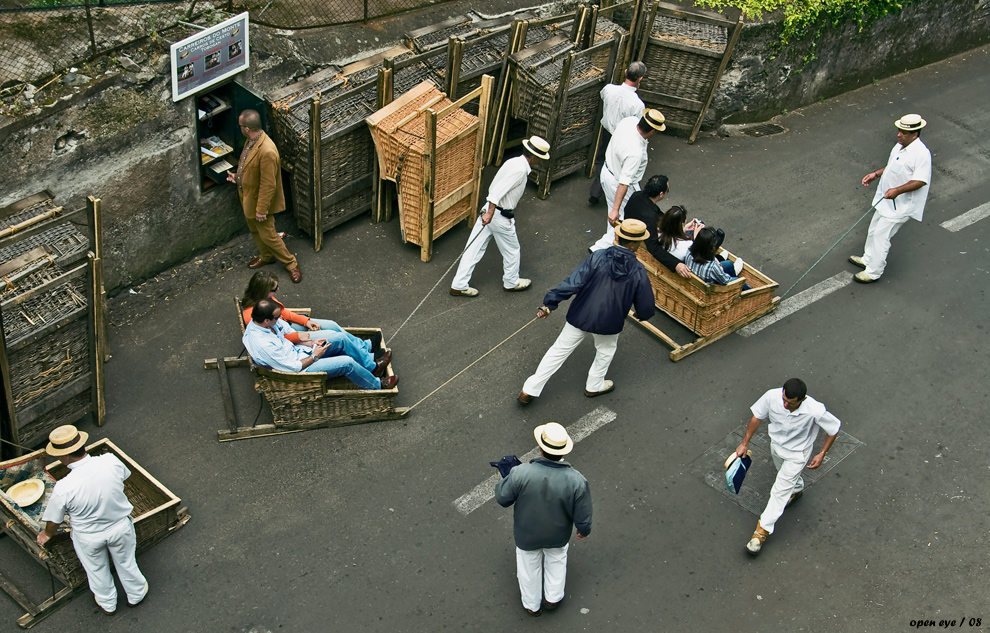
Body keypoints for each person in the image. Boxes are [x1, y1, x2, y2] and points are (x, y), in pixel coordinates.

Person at [519, 219, 655, 403]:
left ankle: (529, 390)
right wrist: (642, 314)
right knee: (605, 351)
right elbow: (646, 303)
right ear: (633, 244)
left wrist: (550, 303)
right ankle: (594, 385)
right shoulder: (638, 270)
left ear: (619, 236)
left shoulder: (598, 256)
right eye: (640, 241)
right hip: (610, 321)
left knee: (558, 350)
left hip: (581, 313)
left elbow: (573, 282)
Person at [37, 425, 148, 615]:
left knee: (96, 571)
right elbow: (124, 477)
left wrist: (47, 534)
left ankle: (108, 603)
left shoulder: (64, 487)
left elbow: (54, 520)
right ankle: (136, 594)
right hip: (120, 527)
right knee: (126, 562)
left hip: (88, 537)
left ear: (64, 456)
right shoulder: (110, 461)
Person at [494, 422, 592, 616]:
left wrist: (503, 479)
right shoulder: (577, 480)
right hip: (558, 534)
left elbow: (502, 498)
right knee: (556, 560)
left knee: (528, 566)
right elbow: (583, 512)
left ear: (540, 448)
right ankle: (552, 598)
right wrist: (583, 530)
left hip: (526, 534)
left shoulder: (521, 473)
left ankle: (532, 604)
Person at [734, 379, 841, 555]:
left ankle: (761, 532)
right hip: (776, 446)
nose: (785, 405)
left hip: (798, 455)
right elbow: (757, 417)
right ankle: (796, 490)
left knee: (779, 489)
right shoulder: (771, 396)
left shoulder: (815, 409)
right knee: (786, 480)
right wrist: (744, 443)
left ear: (802, 399)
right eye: (784, 399)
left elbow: (834, 428)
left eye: (791, 403)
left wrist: (822, 453)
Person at [450, 136, 550, 297]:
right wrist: (490, 212)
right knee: (512, 250)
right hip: (499, 215)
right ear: (535, 157)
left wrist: (488, 211)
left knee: (473, 248)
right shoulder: (520, 170)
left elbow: (495, 187)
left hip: (489, 211)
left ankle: (459, 284)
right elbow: (497, 193)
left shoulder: (513, 162)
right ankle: (511, 282)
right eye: (541, 158)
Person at [242, 299, 397, 390]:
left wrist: (310, 343)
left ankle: (372, 368)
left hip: (300, 351)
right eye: (277, 317)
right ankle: (377, 385)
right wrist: (315, 357)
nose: (279, 319)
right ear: (266, 320)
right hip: (300, 369)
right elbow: (291, 368)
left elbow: (286, 331)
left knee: (339, 338)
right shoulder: (263, 344)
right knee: (346, 363)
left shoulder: (267, 324)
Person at [849, 114, 931, 284]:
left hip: (899, 207)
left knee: (881, 236)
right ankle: (868, 258)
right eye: (899, 131)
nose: (898, 135)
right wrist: (876, 174)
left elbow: (921, 180)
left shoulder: (921, 154)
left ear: (914, 134)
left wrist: (898, 190)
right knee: (873, 230)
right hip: (885, 200)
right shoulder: (900, 146)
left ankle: (873, 271)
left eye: (903, 133)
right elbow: (893, 164)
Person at [226, 109, 302, 283]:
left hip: (259, 203)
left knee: (269, 234)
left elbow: (268, 185)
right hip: (248, 197)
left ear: (246, 128)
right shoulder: (252, 140)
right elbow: (249, 168)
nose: (240, 129)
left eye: (240, 126)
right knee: (255, 230)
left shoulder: (267, 150)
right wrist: (237, 178)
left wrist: (261, 209)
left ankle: (291, 264)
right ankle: (266, 256)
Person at [240, 271, 384, 356]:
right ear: (262, 291)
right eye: (274, 289)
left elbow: (284, 312)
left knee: (331, 325)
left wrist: (305, 321)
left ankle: (363, 346)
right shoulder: (252, 314)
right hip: (289, 335)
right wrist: (299, 336)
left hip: (288, 327)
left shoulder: (266, 299)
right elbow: (276, 339)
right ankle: (364, 354)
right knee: (335, 337)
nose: (276, 292)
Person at [589, 109, 667, 252]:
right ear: (652, 131)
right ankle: (601, 248)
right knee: (622, 219)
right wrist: (615, 209)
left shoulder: (629, 121)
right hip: (617, 181)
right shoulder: (635, 153)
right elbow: (624, 183)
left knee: (622, 215)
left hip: (608, 169)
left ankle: (605, 245)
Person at [589, 62, 647, 205]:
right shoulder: (637, 104)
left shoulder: (609, 89)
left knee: (601, 159)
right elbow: (637, 124)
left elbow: (603, 96)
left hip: (607, 131)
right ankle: (612, 193)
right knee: (617, 163)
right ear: (640, 79)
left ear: (626, 71)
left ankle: (596, 191)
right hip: (622, 136)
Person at [622, 175, 690, 278]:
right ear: (661, 194)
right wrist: (676, 264)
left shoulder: (637, 196)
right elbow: (653, 247)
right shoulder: (651, 218)